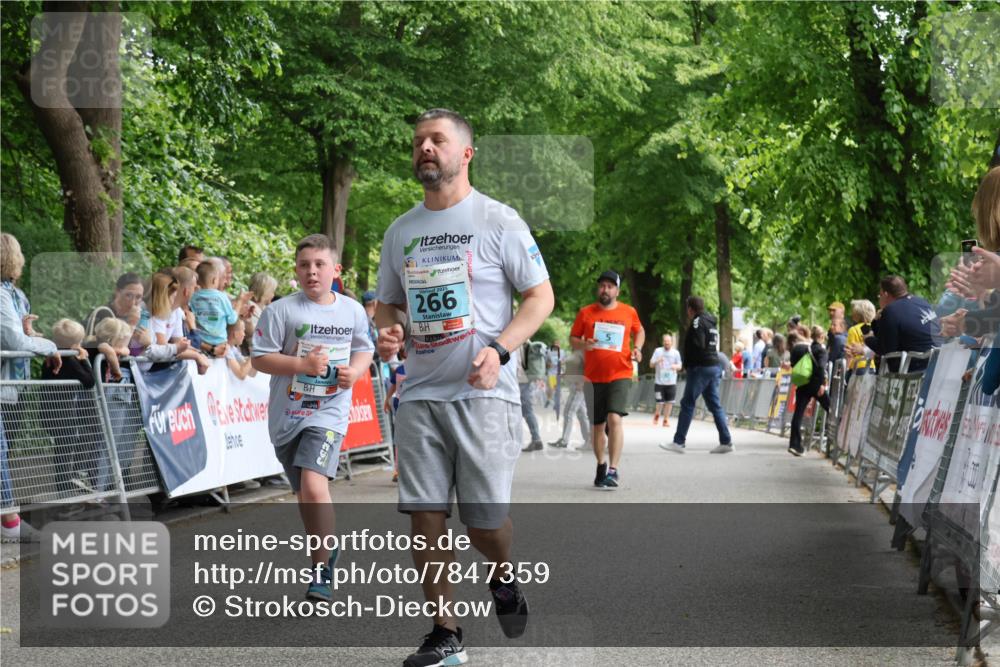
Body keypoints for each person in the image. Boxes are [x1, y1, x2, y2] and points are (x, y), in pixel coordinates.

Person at [374, 108, 552, 667]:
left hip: (484, 393)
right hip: (422, 394)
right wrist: (389, 331)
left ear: (465, 153)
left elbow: (540, 298)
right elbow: (387, 306)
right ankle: (445, 632)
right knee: (425, 517)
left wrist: (500, 351)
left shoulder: (500, 221)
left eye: (438, 140)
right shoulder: (400, 230)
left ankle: (502, 575)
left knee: (484, 524)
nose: (425, 147)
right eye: (419, 141)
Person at [251, 233, 374, 601]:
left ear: (335, 270)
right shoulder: (281, 311)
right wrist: (301, 365)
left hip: (329, 413)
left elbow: (364, 348)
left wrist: (355, 371)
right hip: (287, 416)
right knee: (304, 494)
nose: (312, 272)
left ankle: (320, 570)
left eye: (320, 264)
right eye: (305, 265)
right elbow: (259, 358)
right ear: (296, 271)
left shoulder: (351, 310)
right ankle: (325, 549)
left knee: (314, 487)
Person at [1, 233, 60, 541]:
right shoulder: (0, 294)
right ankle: (8, 522)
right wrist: (48, 345)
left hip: (14, 386)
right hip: (4, 384)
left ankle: (6, 519)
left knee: (5, 450)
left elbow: (20, 336)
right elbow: (13, 342)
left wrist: (31, 334)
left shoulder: (15, 295)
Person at [569, 269, 644, 489]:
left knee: (614, 419)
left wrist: (637, 348)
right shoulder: (586, 313)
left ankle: (613, 469)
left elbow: (640, 331)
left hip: (621, 373)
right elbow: (573, 339)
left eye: (610, 286)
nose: (605, 289)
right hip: (593, 377)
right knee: (598, 427)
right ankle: (601, 464)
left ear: (617, 291)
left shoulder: (628, 312)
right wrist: (584, 344)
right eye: (602, 285)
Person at [661, 296, 733, 454]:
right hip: (713, 366)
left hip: (701, 367)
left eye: (687, 308)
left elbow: (698, 344)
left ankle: (678, 442)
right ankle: (726, 441)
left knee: (687, 403)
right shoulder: (711, 323)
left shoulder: (697, 322)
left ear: (690, 309)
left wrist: (689, 364)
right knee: (714, 404)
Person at [851, 276, 939, 372]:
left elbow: (885, 349)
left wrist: (868, 339)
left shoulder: (891, 311)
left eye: (880, 295)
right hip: (937, 361)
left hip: (913, 369)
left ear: (885, 294)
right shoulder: (922, 302)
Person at [148, 272, 210, 373]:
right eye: (173, 295)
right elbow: (164, 348)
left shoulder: (176, 312)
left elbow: (180, 345)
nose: (174, 299)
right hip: (147, 371)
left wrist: (198, 353)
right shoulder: (155, 313)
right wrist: (196, 355)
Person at [787, 327, 831, 456]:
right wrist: (822, 384)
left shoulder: (801, 349)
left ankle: (795, 444)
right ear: (822, 337)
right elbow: (822, 367)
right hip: (816, 385)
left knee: (798, 414)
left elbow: (793, 363)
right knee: (831, 408)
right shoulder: (821, 351)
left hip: (803, 384)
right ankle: (837, 439)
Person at [547, 348, 590, 449]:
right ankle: (589, 439)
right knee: (581, 414)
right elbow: (574, 367)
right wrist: (565, 375)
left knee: (569, 412)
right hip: (573, 385)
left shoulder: (584, 351)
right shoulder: (575, 351)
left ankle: (564, 440)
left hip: (578, 387)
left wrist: (583, 382)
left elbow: (588, 367)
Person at [518, 338, 547, 451]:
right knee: (526, 411)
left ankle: (536, 439)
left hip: (521, 382)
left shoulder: (520, 344)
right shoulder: (527, 345)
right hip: (526, 381)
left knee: (525, 411)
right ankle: (536, 439)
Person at [650, 333, 682, 427]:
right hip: (659, 382)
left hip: (671, 382)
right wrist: (657, 361)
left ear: (671, 342)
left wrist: (675, 366)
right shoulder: (657, 351)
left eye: (668, 341)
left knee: (670, 402)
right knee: (659, 402)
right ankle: (657, 414)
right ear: (663, 342)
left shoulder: (676, 353)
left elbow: (680, 366)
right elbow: (651, 365)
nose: (667, 343)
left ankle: (665, 420)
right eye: (665, 341)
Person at [243, 271, 277, 355]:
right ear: (264, 292)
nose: (273, 295)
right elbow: (252, 338)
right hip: (252, 354)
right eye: (272, 291)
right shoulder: (249, 308)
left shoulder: (264, 309)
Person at [845, 299, 876, 382]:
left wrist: (845, 368)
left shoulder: (853, 330)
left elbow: (850, 353)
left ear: (857, 314)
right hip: (871, 367)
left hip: (856, 368)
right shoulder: (875, 329)